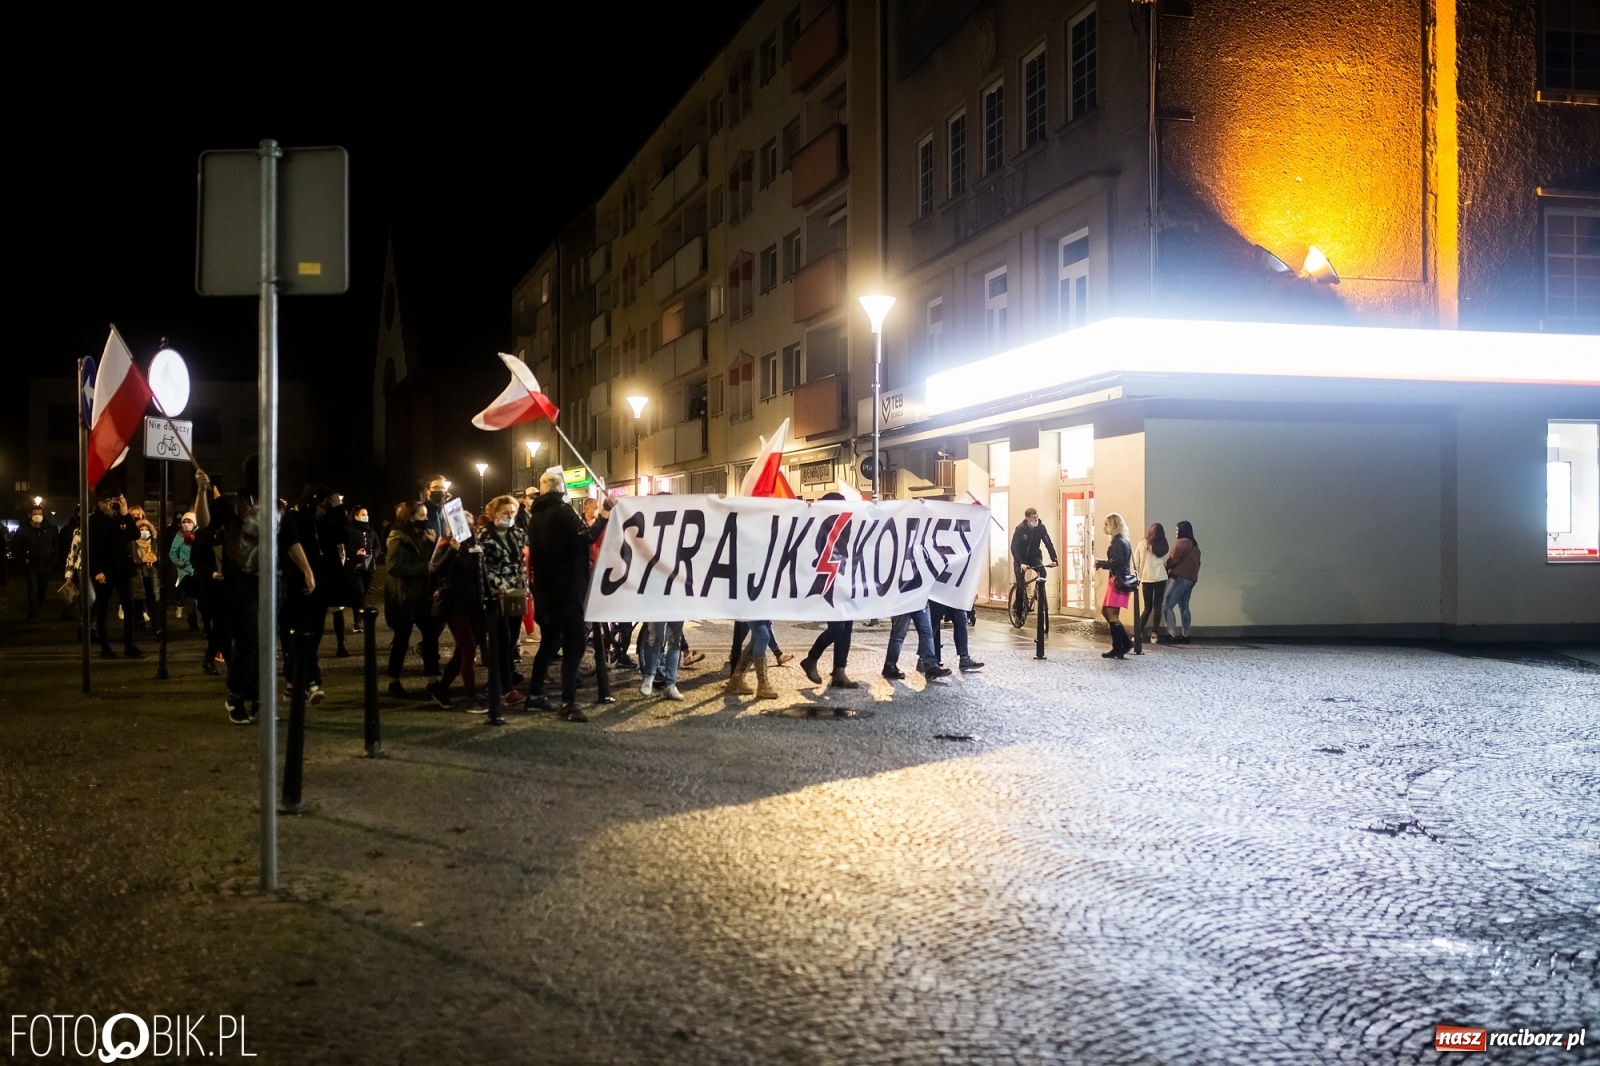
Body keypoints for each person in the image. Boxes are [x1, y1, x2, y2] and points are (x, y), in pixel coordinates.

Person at [527, 471, 612, 720]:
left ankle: (534, 693)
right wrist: (605, 513)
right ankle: (568, 702)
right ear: (561, 488)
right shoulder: (562, 511)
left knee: (549, 644)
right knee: (574, 645)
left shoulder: (536, 516)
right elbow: (588, 536)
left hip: (546, 591)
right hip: (567, 590)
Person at [194, 460, 261, 725]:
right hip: (240, 577)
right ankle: (236, 695)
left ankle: (257, 695)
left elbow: (287, 540)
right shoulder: (231, 502)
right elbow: (204, 522)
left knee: (262, 641)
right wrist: (201, 492)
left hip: (269, 579)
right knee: (248, 638)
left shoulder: (276, 505)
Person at [425, 520, 488, 713]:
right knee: (468, 649)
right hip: (454, 604)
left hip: (474, 603)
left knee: (462, 651)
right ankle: (471, 696)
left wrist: (487, 595)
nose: (466, 527)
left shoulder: (475, 545)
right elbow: (436, 570)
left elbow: (481, 573)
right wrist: (453, 550)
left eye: (469, 523)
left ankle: (441, 688)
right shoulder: (446, 544)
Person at [798, 493, 859, 689]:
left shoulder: (847, 524)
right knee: (838, 627)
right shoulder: (818, 526)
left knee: (846, 628)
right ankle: (811, 658)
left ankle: (840, 671)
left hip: (844, 579)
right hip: (826, 580)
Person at [481, 493, 533, 713]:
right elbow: (483, 567)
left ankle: (498, 681)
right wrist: (498, 585)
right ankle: (504, 688)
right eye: (505, 513)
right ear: (494, 514)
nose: (509, 516)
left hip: (516, 594)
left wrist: (525, 587)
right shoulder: (485, 537)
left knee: (512, 641)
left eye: (512, 513)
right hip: (496, 597)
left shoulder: (518, 534)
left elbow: (521, 562)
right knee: (500, 641)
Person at [384, 501, 437, 698]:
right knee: (401, 640)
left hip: (423, 596)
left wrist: (434, 542)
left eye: (426, 515)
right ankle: (393, 681)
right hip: (406, 598)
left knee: (431, 637)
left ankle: (433, 680)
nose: (425, 519)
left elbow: (432, 560)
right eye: (421, 515)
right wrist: (423, 569)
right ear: (410, 517)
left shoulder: (423, 536)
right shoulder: (398, 538)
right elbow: (393, 567)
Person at [88, 489, 141, 658]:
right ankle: (105, 646)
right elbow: (91, 548)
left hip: (122, 570)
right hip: (104, 570)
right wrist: (97, 570)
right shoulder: (94, 519)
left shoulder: (121, 517)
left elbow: (135, 534)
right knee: (102, 609)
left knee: (129, 607)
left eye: (117, 500)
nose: (113, 504)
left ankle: (129, 645)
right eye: (110, 500)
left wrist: (126, 514)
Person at [1094, 512, 1136, 660]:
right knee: (1106, 611)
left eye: (1106, 524)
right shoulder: (1123, 541)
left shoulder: (1118, 541)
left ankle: (1119, 647)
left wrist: (1101, 563)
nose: (1104, 528)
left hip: (1118, 581)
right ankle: (1124, 643)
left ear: (1113, 525)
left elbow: (1116, 562)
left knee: (1112, 614)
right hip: (1118, 580)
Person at [13, 505, 60, 622]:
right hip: (31, 565)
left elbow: (56, 546)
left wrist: (53, 561)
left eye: (40, 514)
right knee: (32, 589)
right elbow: (15, 547)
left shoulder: (50, 529)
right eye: (35, 514)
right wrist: (24, 559)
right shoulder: (23, 529)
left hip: (46, 565)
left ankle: (35, 611)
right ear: (30, 515)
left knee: (42, 590)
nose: (38, 516)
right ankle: (34, 614)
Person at [883, 606, 951, 681]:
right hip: (909, 601)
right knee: (900, 635)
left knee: (925, 633)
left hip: (915, 601)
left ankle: (931, 667)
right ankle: (890, 666)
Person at [1164, 520, 1201, 644]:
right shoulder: (1195, 546)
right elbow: (1198, 564)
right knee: (1184, 606)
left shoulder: (1182, 543)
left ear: (1182, 531)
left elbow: (1173, 558)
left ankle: (1171, 634)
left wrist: (1166, 566)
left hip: (1179, 578)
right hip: (1190, 580)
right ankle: (1186, 635)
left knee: (1167, 605)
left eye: (1177, 530)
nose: (1175, 532)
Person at [1133, 522, 1170, 644]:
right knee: (1157, 606)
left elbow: (1136, 562)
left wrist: (1137, 576)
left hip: (1146, 578)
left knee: (1147, 607)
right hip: (1161, 578)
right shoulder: (1162, 545)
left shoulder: (1141, 544)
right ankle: (1155, 634)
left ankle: (1138, 633)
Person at [727, 618, 780, 699]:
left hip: (756, 609)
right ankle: (762, 685)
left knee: (756, 638)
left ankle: (737, 678)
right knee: (762, 637)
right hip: (752, 608)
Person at [1010, 507, 1058, 596]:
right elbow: (1014, 547)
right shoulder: (1020, 529)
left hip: (1034, 556)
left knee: (1043, 572)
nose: (1036, 519)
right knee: (1020, 586)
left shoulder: (1041, 528)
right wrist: (1020, 562)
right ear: (1027, 518)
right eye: (1033, 517)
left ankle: (1038, 592)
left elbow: (1048, 543)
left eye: (1037, 517)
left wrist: (1054, 559)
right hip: (1021, 558)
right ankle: (1018, 608)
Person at [930, 600, 983, 673]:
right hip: (939, 596)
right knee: (933, 625)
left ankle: (964, 657)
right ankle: (925, 659)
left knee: (961, 619)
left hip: (953, 596)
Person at [169, 512, 200, 631]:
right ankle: (194, 625)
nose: (186, 524)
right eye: (184, 522)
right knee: (191, 601)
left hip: (198, 572)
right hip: (185, 572)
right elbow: (172, 552)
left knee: (201, 601)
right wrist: (177, 561)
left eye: (189, 521)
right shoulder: (179, 536)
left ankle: (205, 625)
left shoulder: (199, 535)